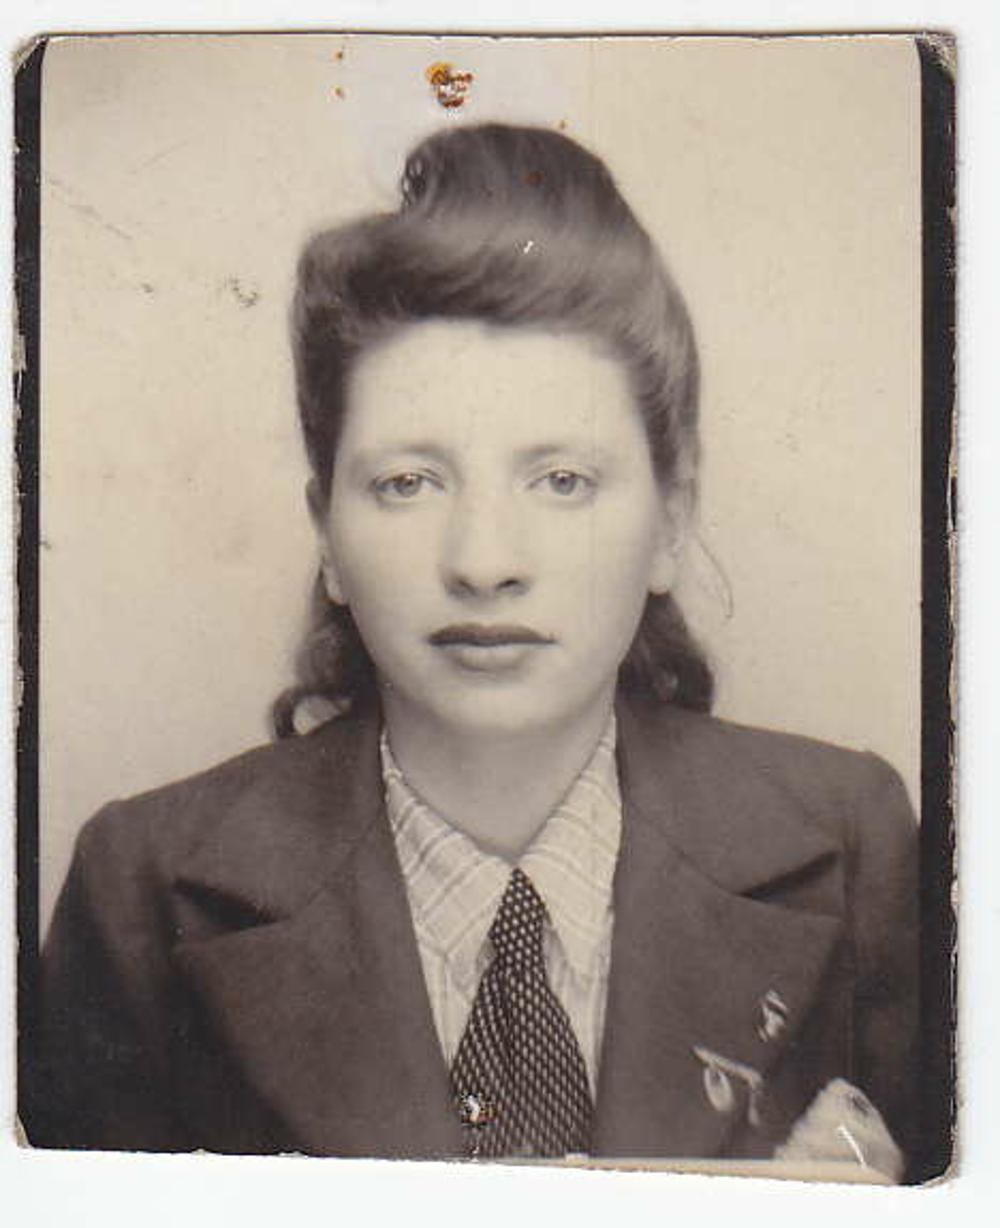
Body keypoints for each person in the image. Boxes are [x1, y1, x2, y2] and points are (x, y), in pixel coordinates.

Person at [25, 123, 918, 1174]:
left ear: (671, 521)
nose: (484, 562)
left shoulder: (854, 843)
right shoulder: (142, 884)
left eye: (562, 481)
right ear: (328, 535)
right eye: (408, 482)